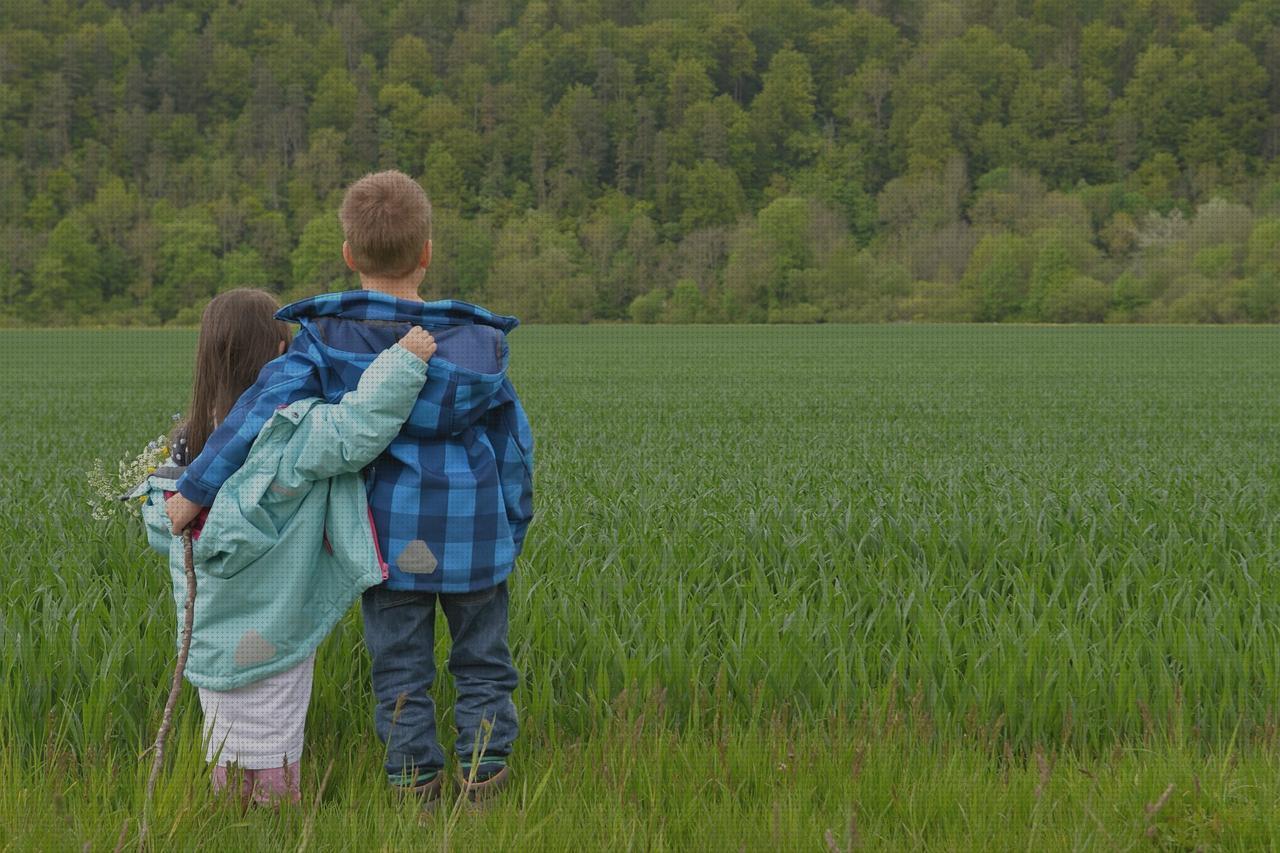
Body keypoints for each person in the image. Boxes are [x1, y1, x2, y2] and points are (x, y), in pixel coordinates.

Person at [164, 172, 534, 809]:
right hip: (476, 537)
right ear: (426, 253)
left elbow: (255, 414)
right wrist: (511, 526)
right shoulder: (477, 348)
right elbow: (514, 450)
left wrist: (194, 489)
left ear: (347, 255)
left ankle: (414, 787)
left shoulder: (326, 341)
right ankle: (485, 778)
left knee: (399, 670)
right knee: (484, 662)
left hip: (384, 541)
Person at [135, 287, 438, 809]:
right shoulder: (289, 431)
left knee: (225, 730)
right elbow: (357, 426)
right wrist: (403, 363)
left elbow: (169, 523)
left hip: (209, 627)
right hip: (277, 620)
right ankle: (278, 819)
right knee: (273, 727)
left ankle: (228, 818)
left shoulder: (186, 445)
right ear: (281, 355)